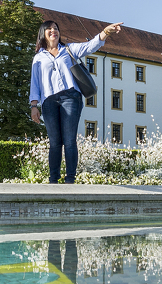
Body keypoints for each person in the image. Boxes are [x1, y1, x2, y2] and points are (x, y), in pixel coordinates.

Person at [30, 20, 123, 184]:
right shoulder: (38, 58)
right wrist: (33, 106)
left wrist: (105, 32)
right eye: (50, 29)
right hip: (49, 101)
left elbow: (91, 46)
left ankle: (70, 180)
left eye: (56, 29)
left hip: (70, 97)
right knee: (54, 142)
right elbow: (35, 83)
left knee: (69, 140)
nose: (54, 31)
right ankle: (53, 180)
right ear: (43, 33)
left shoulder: (69, 49)